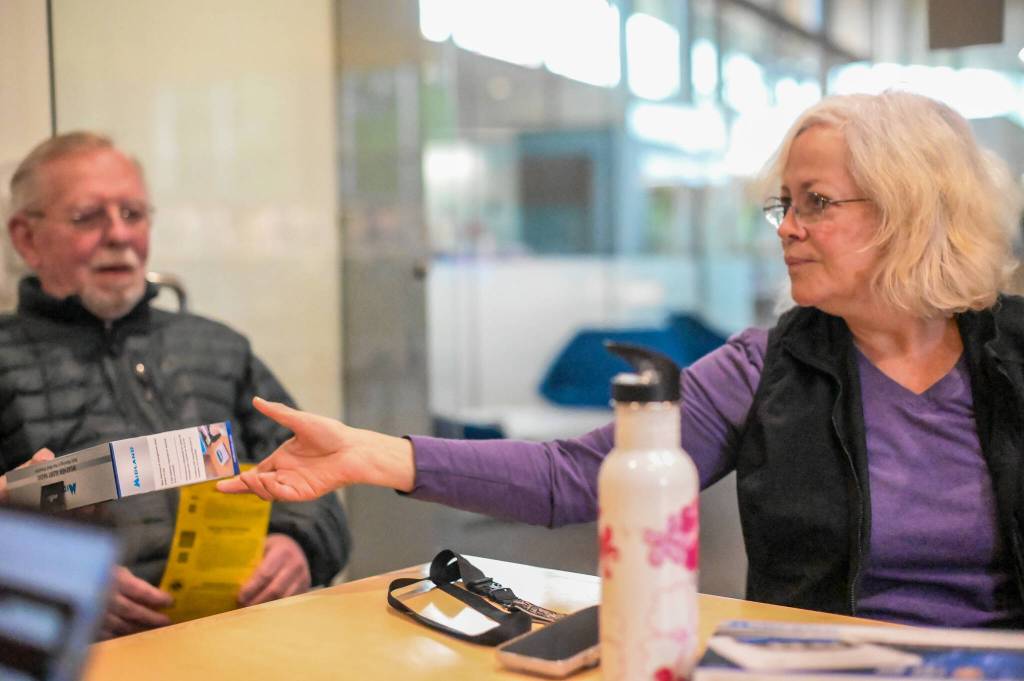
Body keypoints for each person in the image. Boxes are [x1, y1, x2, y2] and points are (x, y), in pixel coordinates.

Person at [220, 91, 1024, 629]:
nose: (786, 228)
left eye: (818, 203)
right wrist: (374, 453)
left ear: (911, 212)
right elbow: (573, 475)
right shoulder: (765, 367)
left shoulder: (1011, 355)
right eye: (786, 204)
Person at [0, 132, 351, 639]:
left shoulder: (218, 348)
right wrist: (54, 579)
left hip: (245, 635)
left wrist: (300, 546)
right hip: (90, 654)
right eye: (87, 217)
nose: (119, 235)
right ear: (27, 239)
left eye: (133, 214)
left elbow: (317, 472)